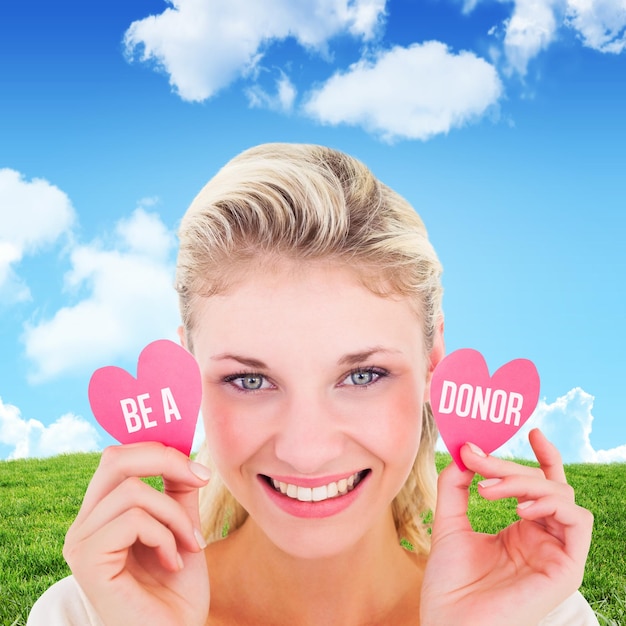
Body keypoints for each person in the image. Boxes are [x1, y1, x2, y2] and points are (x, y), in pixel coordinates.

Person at [28, 143, 598, 625]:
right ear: (188, 371)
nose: (306, 450)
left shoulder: (536, 612)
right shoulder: (91, 613)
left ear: (433, 361)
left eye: (363, 375)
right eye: (249, 380)